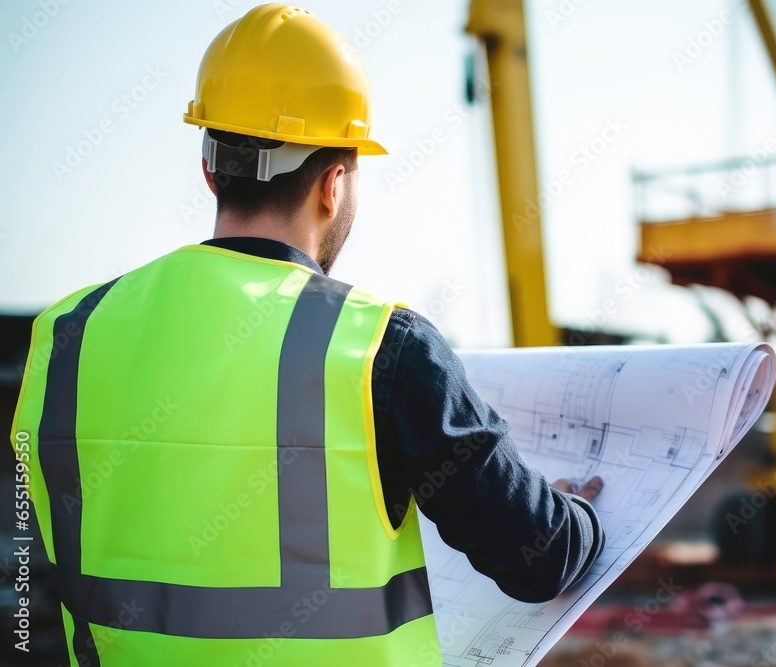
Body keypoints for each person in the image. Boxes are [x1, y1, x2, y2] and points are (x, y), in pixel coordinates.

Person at [10, 4, 605, 665]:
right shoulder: (384, 347)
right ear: (332, 185)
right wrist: (572, 514)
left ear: (210, 168)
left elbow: (36, 576)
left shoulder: (67, 334)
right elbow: (539, 561)